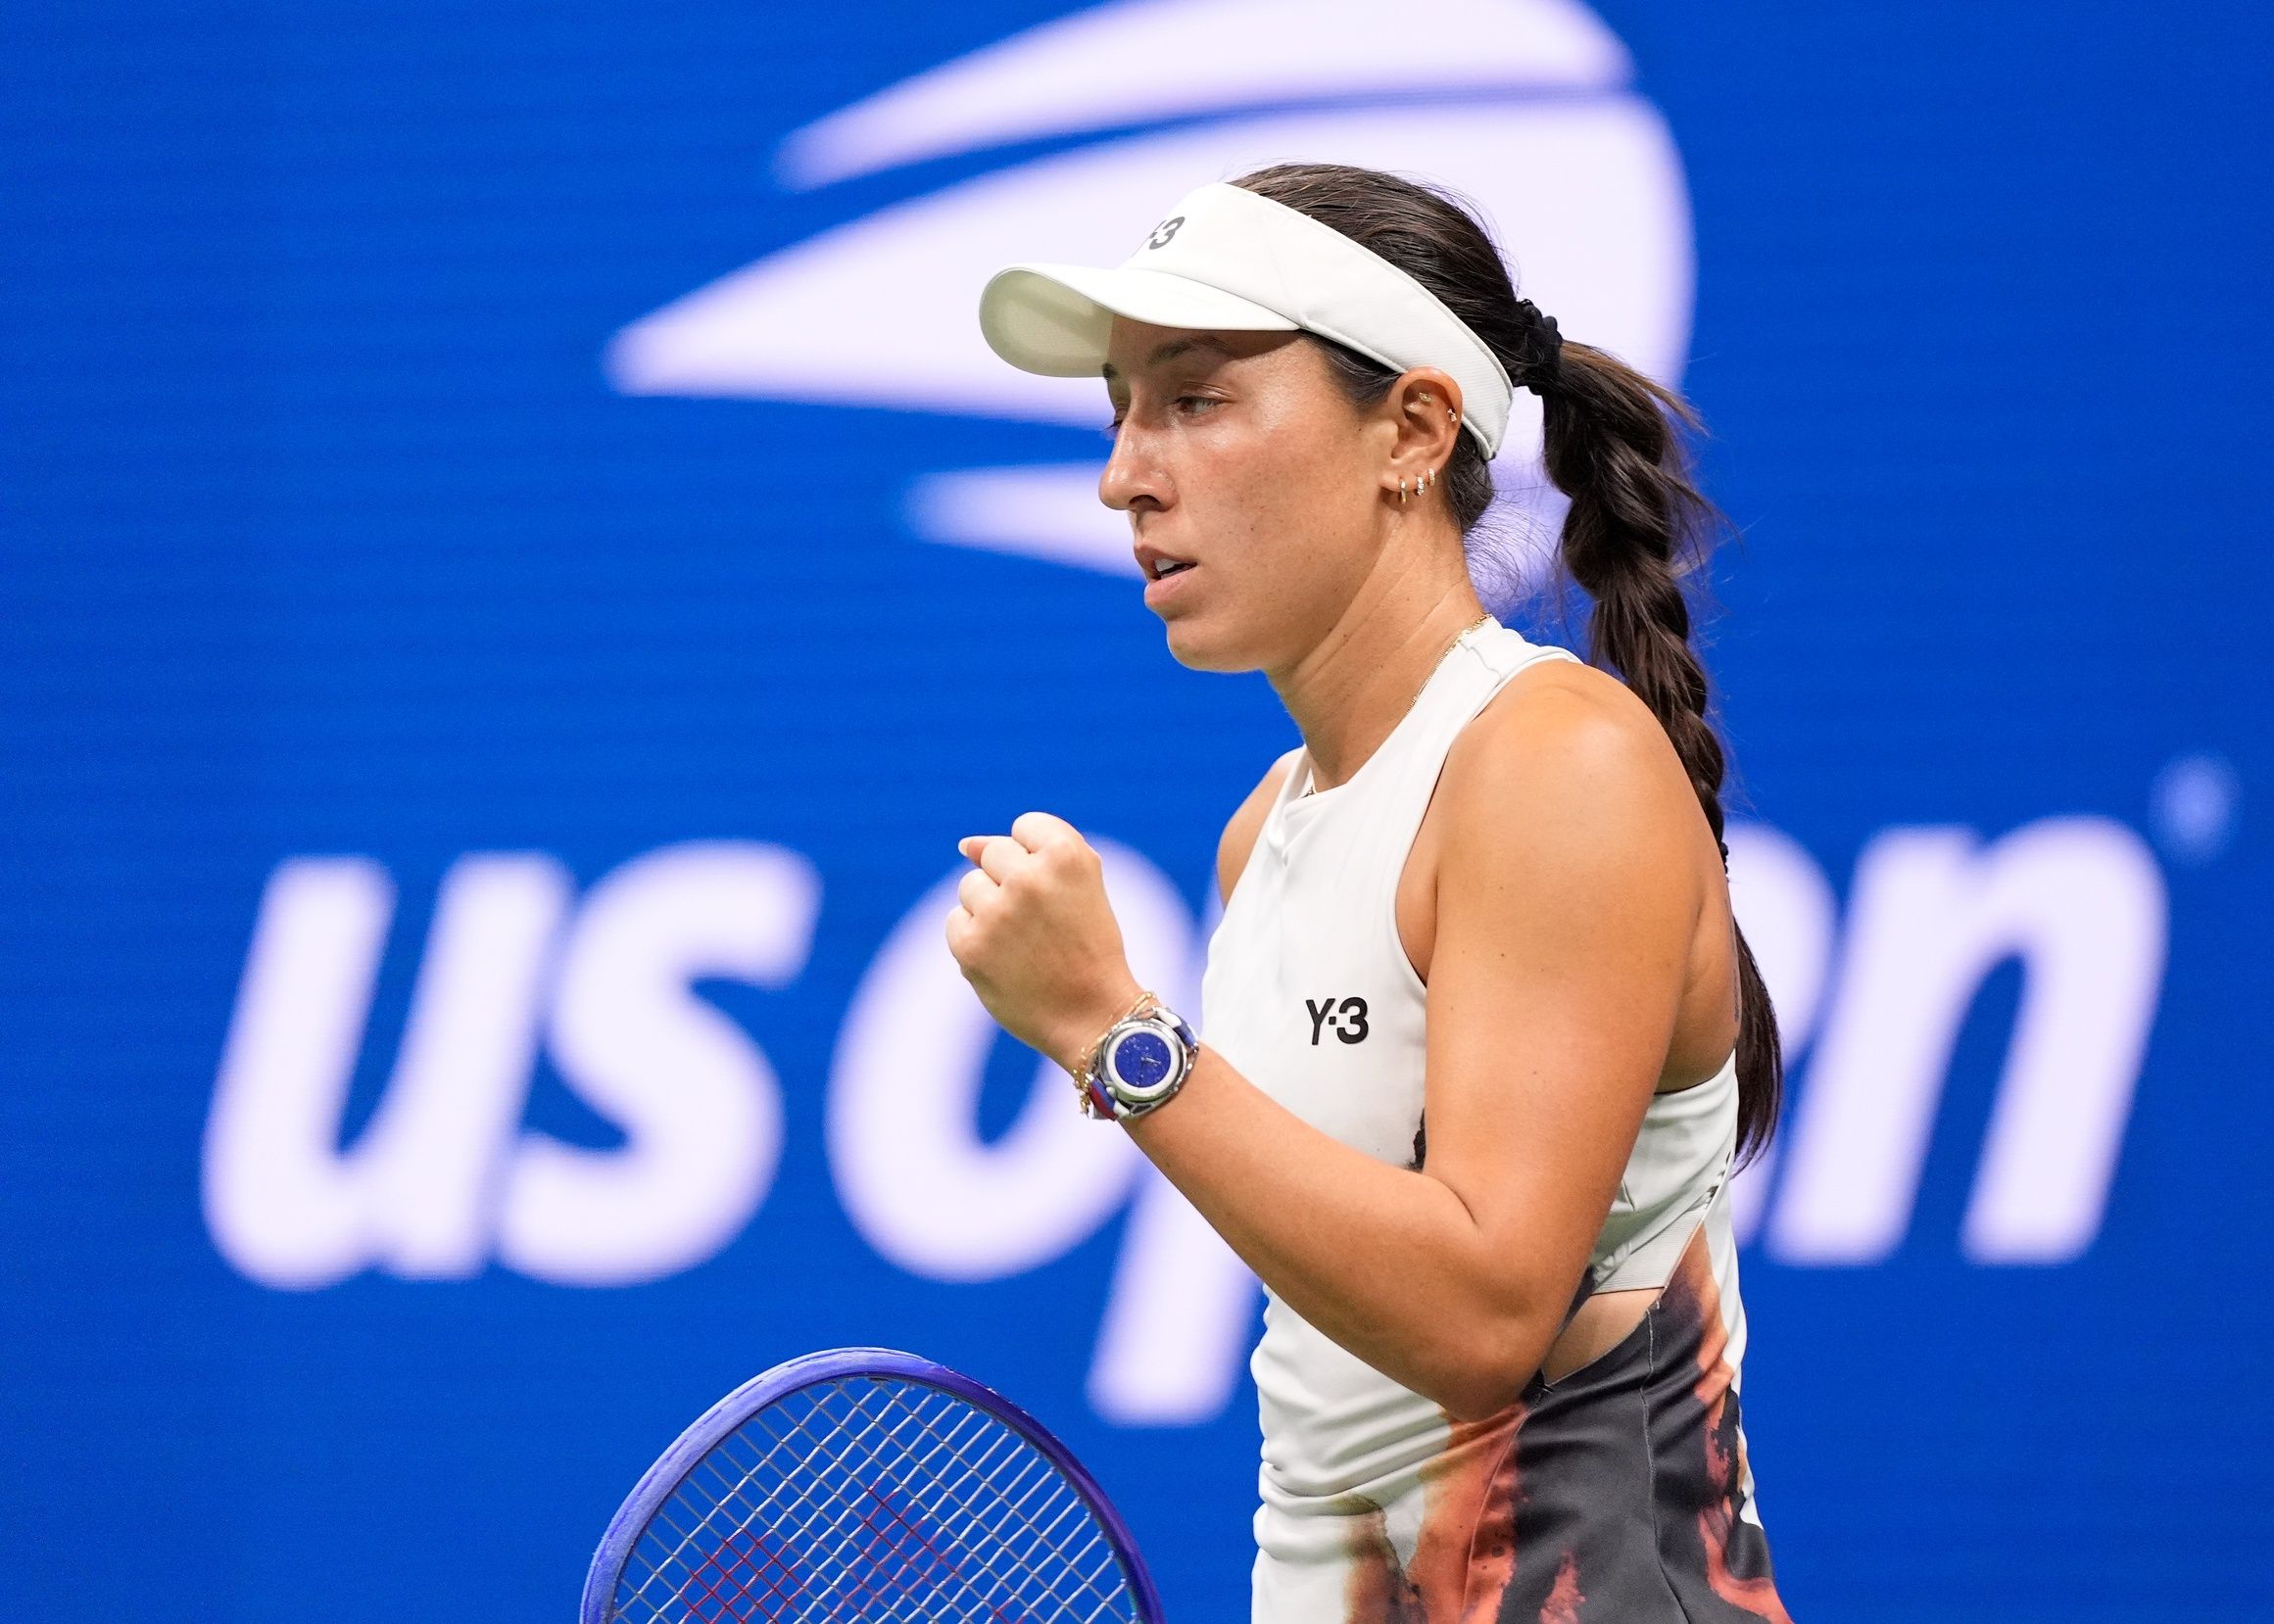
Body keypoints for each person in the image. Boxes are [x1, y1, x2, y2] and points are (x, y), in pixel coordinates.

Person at [946, 163, 1795, 1623]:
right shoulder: (1264, 830)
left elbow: (1483, 1313)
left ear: (1409, 429)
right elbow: (1345, 1393)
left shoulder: (1554, 761)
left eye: (1195, 400)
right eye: (1118, 408)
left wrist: (1113, 1032)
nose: (1122, 473)